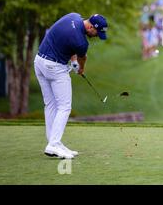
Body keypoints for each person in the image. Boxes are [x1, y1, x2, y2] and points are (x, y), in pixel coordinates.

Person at [34, 13, 108, 159]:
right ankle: (53, 144)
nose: (96, 36)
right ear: (91, 26)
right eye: (96, 33)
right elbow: (83, 57)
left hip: (39, 62)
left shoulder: (73, 16)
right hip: (54, 67)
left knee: (50, 104)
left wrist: (73, 62)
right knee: (64, 106)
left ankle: (53, 142)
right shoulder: (82, 43)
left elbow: (68, 43)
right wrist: (80, 68)